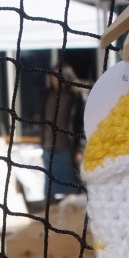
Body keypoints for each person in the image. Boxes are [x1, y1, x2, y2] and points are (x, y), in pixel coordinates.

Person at [41, 63, 85, 201]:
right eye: (52, 77)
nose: (54, 80)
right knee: (50, 190)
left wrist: (79, 148)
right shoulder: (48, 96)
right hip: (49, 149)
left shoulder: (75, 98)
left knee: (71, 190)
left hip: (66, 149)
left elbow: (80, 124)